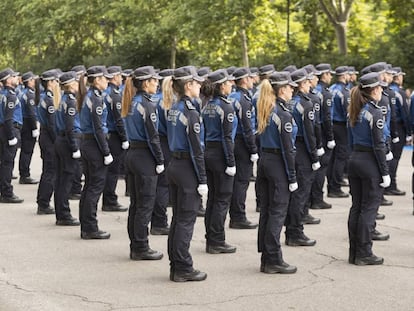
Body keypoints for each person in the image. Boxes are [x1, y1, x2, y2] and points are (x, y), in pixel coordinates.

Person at [166, 65, 208, 282]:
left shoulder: (175, 108)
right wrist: (202, 179)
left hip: (175, 164)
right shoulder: (190, 112)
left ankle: (176, 264)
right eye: (197, 83)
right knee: (185, 220)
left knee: (178, 219)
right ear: (188, 85)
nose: (200, 86)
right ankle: (183, 267)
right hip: (186, 168)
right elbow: (196, 149)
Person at [256, 71, 298, 274]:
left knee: (267, 210)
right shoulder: (283, 114)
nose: (292, 90)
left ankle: (266, 256)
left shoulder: (267, 109)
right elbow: (288, 148)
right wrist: (292, 176)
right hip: (278, 165)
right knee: (277, 212)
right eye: (290, 87)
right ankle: (273, 259)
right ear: (282, 90)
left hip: (265, 161)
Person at [121, 66, 164, 259]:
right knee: (145, 205)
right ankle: (140, 247)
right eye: (154, 80)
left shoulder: (132, 102)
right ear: (146, 83)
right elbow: (153, 136)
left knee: (136, 204)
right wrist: (160, 159)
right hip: (144, 157)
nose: (157, 83)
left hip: (133, 154)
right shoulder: (146, 105)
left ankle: (135, 244)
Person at [347, 72, 389, 266]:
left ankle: (354, 251)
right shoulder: (375, 112)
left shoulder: (356, 110)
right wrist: (385, 172)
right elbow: (379, 145)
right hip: (369, 162)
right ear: (373, 90)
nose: (382, 90)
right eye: (380, 87)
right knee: (369, 208)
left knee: (357, 207)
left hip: (355, 159)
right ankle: (364, 252)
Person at [201, 68, 238, 254]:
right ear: (222, 86)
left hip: (208, 151)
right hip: (221, 154)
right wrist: (231, 162)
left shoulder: (206, 105)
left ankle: (211, 238)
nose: (232, 85)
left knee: (213, 199)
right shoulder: (226, 107)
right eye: (229, 82)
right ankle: (217, 241)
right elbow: (227, 138)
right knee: (222, 199)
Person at [285, 68, 320, 247]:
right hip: (302, 149)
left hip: (291, 148)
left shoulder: (288, 102)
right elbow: (309, 133)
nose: (309, 84)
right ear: (300, 84)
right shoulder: (304, 104)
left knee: (293, 193)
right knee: (301, 193)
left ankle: (291, 228)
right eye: (307, 82)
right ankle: (295, 232)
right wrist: (314, 156)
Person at [78, 66, 113, 240]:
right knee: (95, 186)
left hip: (87, 143)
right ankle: (90, 227)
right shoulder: (96, 98)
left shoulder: (89, 96)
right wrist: (106, 151)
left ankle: (86, 224)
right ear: (97, 80)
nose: (107, 81)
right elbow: (99, 128)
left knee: (89, 186)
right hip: (94, 145)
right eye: (105, 78)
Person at [228, 67, 258, 229]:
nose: (253, 80)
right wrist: (253, 149)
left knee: (236, 181)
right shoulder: (244, 99)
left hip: (234, 141)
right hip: (242, 142)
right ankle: (238, 216)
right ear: (245, 80)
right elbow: (247, 127)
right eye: (250, 78)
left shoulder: (231, 96)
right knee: (241, 181)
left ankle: (235, 214)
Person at [54, 71, 81, 226]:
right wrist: (74, 147)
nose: (78, 85)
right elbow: (70, 127)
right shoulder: (70, 101)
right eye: (76, 82)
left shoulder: (62, 99)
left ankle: (61, 213)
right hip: (67, 142)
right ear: (70, 84)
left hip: (60, 140)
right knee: (66, 179)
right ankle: (64, 214)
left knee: (60, 179)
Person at [102, 66, 129, 212]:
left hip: (108, 135)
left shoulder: (105, 92)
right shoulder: (115, 94)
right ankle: (110, 200)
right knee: (113, 171)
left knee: (110, 170)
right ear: (114, 77)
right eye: (119, 76)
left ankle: (108, 198)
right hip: (114, 136)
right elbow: (119, 119)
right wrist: (124, 138)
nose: (121, 78)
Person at [36, 69, 61, 214]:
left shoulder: (45, 97)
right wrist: (56, 140)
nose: (58, 83)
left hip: (45, 135)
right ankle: (44, 203)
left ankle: (43, 201)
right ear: (50, 83)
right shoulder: (49, 99)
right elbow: (52, 124)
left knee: (48, 170)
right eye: (56, 81)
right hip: (49, 137)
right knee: (50, 171)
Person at [0, 68, 24, 203]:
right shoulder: (10, 95)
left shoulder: (2, 94)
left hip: (3, 129)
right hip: (10, 129)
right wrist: (11, 136)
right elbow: (8, 118)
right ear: (8, 80)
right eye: (14, 76)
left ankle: (4, 190)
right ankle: (7, 193)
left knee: (4, 163)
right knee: (7, 163)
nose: (17, 78)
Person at [327, 66, 351, 198]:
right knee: (341, 157)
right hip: (341, 126)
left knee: (333, 157)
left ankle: (331, 185)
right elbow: (348, 113)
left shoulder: (331, 89)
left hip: (332, 125)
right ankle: (335, 187)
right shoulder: (344, 92)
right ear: (344, 75)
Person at [18, 71, 40, 185]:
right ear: (29, 81)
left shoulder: (24, 92)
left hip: (24, 122)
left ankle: (24, 173)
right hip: (28, 123)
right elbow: (31, 113)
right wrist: (34, 128)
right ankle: (25, 175)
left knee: (25, 150)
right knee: (27, 150)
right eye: (33, 80)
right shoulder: (30, 94)